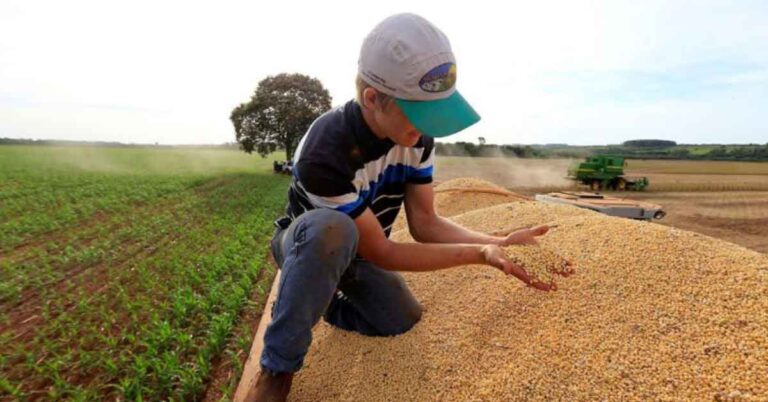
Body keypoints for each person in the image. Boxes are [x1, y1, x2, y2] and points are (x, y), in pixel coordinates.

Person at [245, 13, 566, 402]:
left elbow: (426, 223)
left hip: (362, 245)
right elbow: (384, 251)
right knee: (332, 230)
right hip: (307, 243)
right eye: (419, 114)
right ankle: (277, 368)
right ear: (372, 99)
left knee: (398, 317)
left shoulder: (417, 141)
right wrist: (479, 255)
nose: (425, 129)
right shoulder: (323, 152)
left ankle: (318, 302)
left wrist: (500, 241)